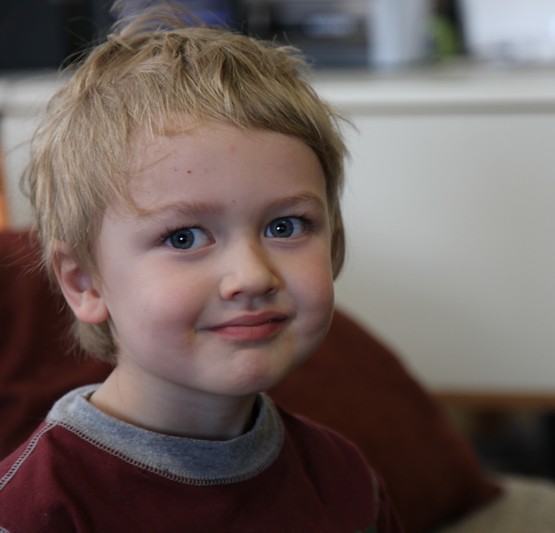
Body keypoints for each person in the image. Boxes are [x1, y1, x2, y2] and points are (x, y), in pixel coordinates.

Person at [0, 7, 402, 532]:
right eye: (184, 237)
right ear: (84, 282)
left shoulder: (346, 479)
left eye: (285, 227)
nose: (252, 276)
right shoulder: (34, 511)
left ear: (336, 244)